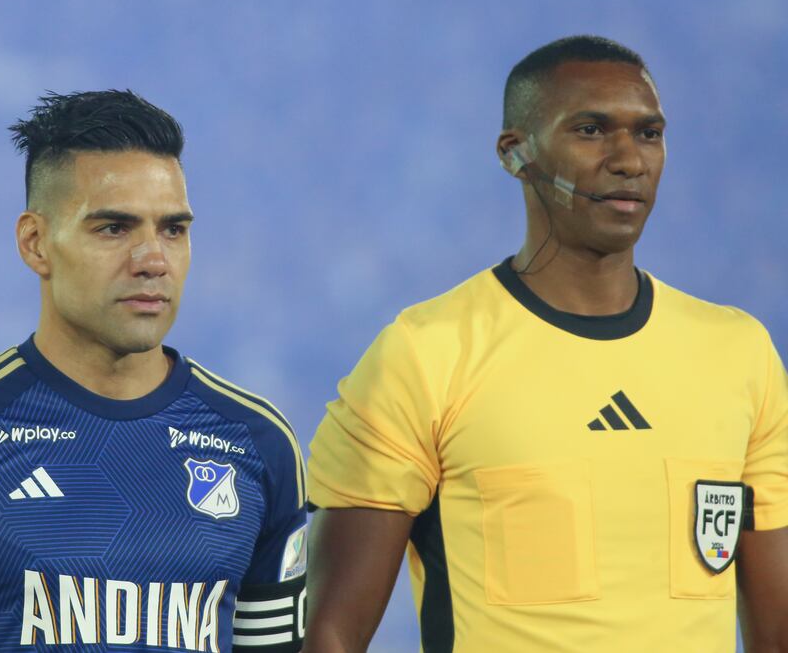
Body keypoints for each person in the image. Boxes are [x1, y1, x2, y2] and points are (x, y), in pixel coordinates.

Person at [303, 35, 788, 652]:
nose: (629, 160)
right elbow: (331, 637)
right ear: (515, 153)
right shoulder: (424, 355)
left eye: (649, 133)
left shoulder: (739, 355)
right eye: (591, 130)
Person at [0, 90, 307, 653]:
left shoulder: (259, 443)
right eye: (114, 228)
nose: (152, 260)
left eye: (173, 230)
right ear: (35, 243)